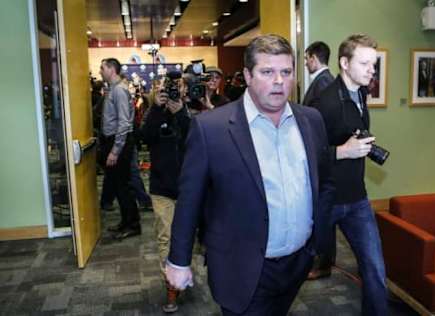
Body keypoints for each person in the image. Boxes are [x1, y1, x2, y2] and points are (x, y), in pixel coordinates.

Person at [165, 34, 335, 316]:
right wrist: (178, 260)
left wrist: (317, 239)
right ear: (247, 75)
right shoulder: (211, 129)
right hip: (242, 268)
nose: (279, 81)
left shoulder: (311, 120)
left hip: (297, 263)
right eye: (267, 72)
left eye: (286, 72)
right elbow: (189, 201)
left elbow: (325, 183)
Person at [311, 34, 388, 316]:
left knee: (375, 269)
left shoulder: (362, 92)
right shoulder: (324, 103)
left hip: (357, 199)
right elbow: (306, 155)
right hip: (326, 200)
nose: (372, 70)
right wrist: (343, 151)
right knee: (294, 267)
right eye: (365, 63)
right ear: (344, 63)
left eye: (374, 64)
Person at [140, 76, 191, 313]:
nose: (171, 91)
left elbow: (195, 139)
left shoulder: (191, 110)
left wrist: (180, 112)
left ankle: (183, 273)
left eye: (176, 87)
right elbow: (144, 139)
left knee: (188, 236)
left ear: (183, 88)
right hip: (161, 186)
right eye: (167, 88)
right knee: (165, 238)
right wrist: (156, 109)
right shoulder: (154, 111)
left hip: (188, 186)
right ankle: (171, 286)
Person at [302, 41, 336, 280]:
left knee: (324, 214)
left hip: (322, 157)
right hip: (318, 155)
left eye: (306, 58)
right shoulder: (324, 82)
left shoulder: (324, 83)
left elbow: (324, 124)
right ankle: (322, 259)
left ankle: (324, 263)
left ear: (314, 58)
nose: (305, 62)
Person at [99, 58, 141, 240]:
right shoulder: (114, 89)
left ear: (111, 69)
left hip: (119, 143)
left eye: (102, 68)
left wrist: (115, 150)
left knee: (123, 186)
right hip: (114, 141)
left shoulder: (120, 90)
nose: (100, 71)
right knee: (118, 185)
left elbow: (124, 123)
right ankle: (126, 222)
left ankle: (133, 225)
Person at [303, 41, 335, 106]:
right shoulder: (324, 78)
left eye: (307, 58)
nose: (306, 63)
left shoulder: (323, 81)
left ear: (314, 58)